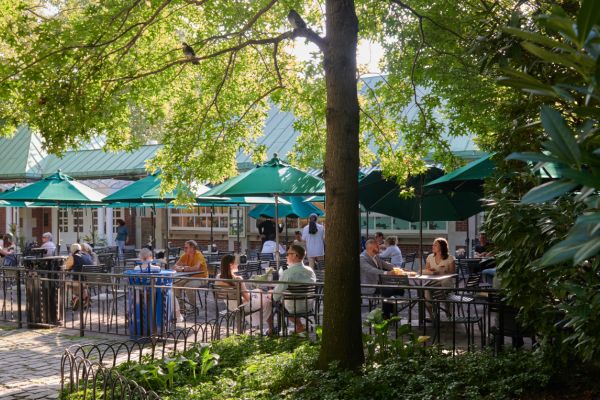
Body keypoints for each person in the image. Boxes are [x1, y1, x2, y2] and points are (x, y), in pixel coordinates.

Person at [214, 254, 273, 333]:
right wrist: (255, 292)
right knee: (268, 300)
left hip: (231, 306)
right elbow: (247, 299)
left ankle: (258, 324)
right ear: (231, 265)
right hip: (242, 306)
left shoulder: (218, 277)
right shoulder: (238, 279)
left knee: (259, 293)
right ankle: (271, 329)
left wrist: (254, 292)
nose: (238, 264)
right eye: (236, 262)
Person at [272, 244, 316, 334]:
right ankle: (299, 326)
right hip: (309, 306)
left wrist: (272, 293)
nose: (286, 256)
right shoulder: (310, 271)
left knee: (271, 299)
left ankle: (274, 330)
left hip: (292, 308)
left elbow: (275, 297)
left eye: (288, 254)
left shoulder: (288, 273)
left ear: (295, 255)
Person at [173, 240, 208, 313]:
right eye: (184, 247)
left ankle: (193, 308)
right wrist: (183, 268)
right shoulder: (185, 255)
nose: (184, 249)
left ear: (192, 248)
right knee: (175, 285)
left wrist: (183, 269)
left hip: (201, 277)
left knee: (188, 286)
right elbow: (175, 266)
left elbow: (196, 268)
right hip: (189, 277)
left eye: (186, 247)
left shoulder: (198, 254)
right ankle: (181, 307)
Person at [67, 243, 94, 310]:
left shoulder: (73, 257)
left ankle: (75, 297)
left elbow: (66, 267)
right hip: (90, 280)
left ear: (72, 250)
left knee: (65, 283)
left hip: (79, 281)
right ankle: (86, 298)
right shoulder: (87, 255)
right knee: (82, 285)